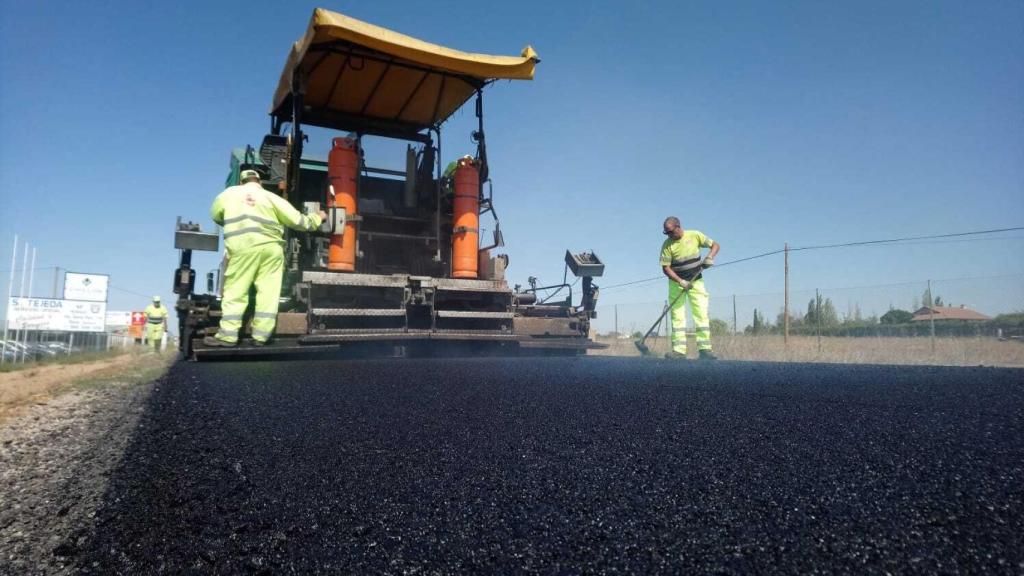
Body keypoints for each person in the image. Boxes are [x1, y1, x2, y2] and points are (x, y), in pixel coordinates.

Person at [204, 169, 326, 347]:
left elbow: (215, 215)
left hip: (242, 249)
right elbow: (300, 222)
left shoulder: (228, 194)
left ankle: (228, 336)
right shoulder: (271, 197)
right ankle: (261, 337)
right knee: (268, 293)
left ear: (241, 182)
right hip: (271, 250)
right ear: (259, 182)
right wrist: (319, 217)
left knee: (236, 291)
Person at [660, 216, 720, 360]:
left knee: (701, 314)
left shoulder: (695, 235)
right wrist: (680, 281)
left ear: (678, 227)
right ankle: (679, 351)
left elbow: (715, 245)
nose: (669, 235)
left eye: (670, 232)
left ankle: (705, 350)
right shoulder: (667, 245)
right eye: (666, 233)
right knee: (678, 316)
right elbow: (666, 269)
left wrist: (710, 257)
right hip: (676, 284)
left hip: (696, 281)